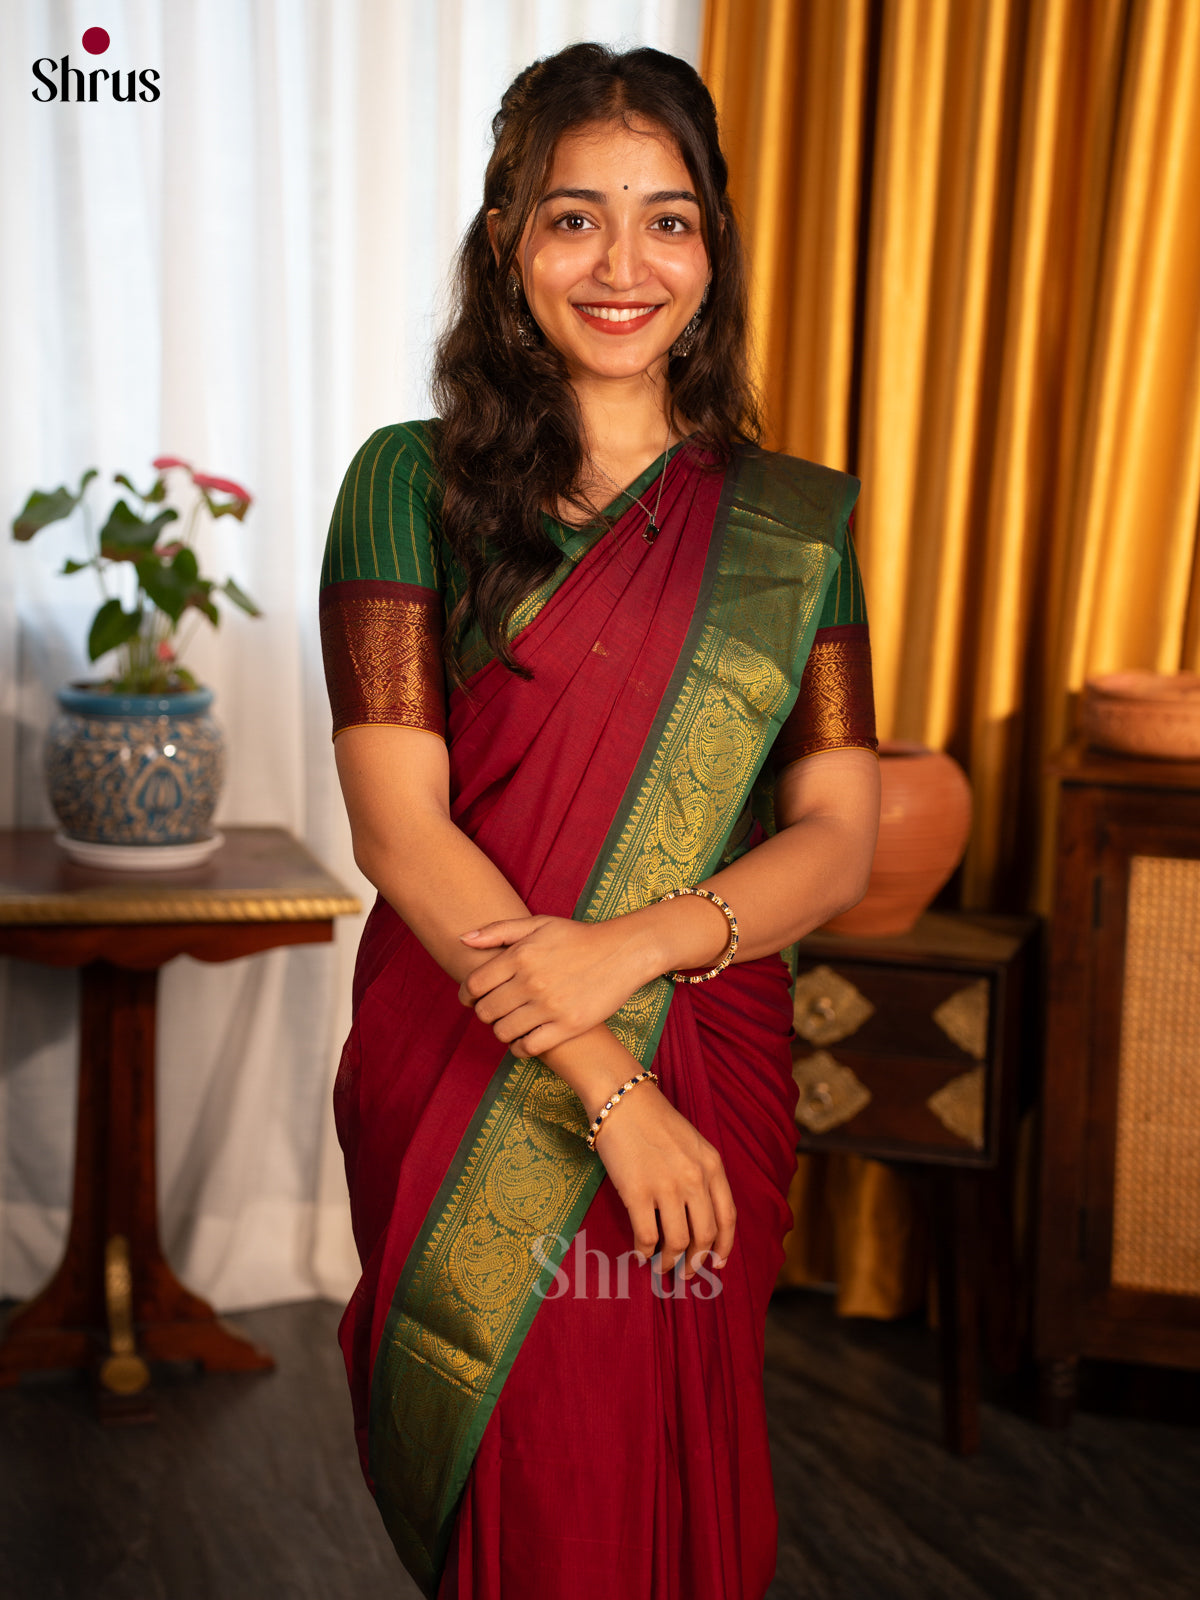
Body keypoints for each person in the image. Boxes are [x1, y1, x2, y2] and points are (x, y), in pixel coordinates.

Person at [319, 41, 880, 1600]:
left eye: (669, 218)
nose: (624, 264)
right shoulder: (406, 489)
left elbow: (838, 829)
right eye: (575, 218)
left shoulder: (790, 531)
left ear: (715, 247)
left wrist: (632, 951)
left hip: (707, 1040)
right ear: (506, 240)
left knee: (683, 1477)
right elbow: (399, 827)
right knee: (538, 1492)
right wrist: (608, 1085)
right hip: (482, 1058)